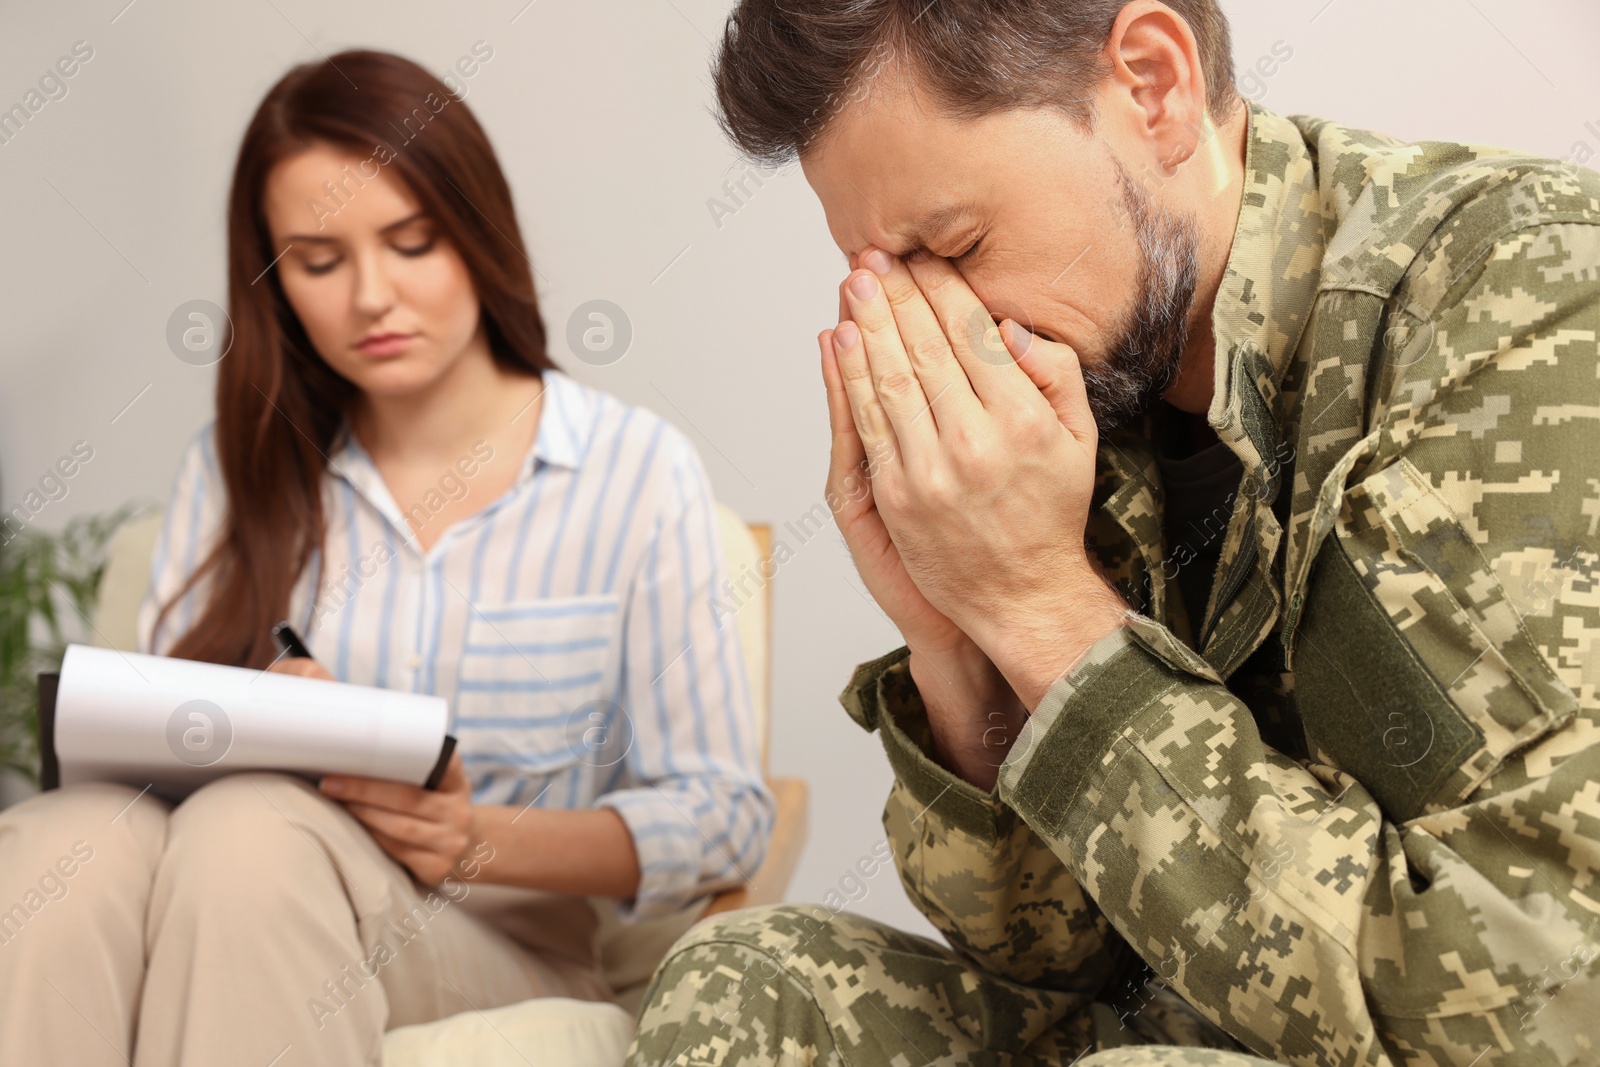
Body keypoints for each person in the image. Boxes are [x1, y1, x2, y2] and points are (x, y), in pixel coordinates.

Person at [626, 1, 1600, 1064]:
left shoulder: (1527, 294)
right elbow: (1048, 952)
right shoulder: (1086, 374)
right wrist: (957, 640)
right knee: (747, 981)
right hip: (1169, 1023)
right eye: (889, 276)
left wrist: (1042, 607)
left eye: (955, 244)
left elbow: (1528, 1006)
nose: (941, 333)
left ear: (1151, 85)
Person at [0, 49, 773, 1066]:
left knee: (253, 834)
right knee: (68, 840)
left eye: (411, 242)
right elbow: (154, 767)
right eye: (319, 262)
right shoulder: (237, 473)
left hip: (492, 930)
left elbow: (722, 815)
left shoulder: (633, 473)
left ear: (476, 232)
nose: (372, 296)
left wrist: (473, 836)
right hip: (221, 881)